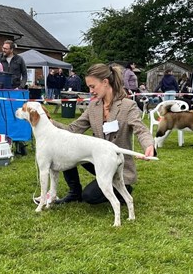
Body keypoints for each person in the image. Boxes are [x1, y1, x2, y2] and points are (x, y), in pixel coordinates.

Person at [52, 63, 155, 204]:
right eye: (89, 87)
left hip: (116, 163)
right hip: (97, 159)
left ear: (105, 82)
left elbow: (141, 129)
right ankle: (74, 192)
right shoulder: (93, 106)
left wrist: (149, 145)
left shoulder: (127, 106)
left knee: (90, 197)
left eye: (92, 86)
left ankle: (123, 187)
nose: (90, 91)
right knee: (69, 148)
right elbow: (72, 130)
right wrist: (48, 122)